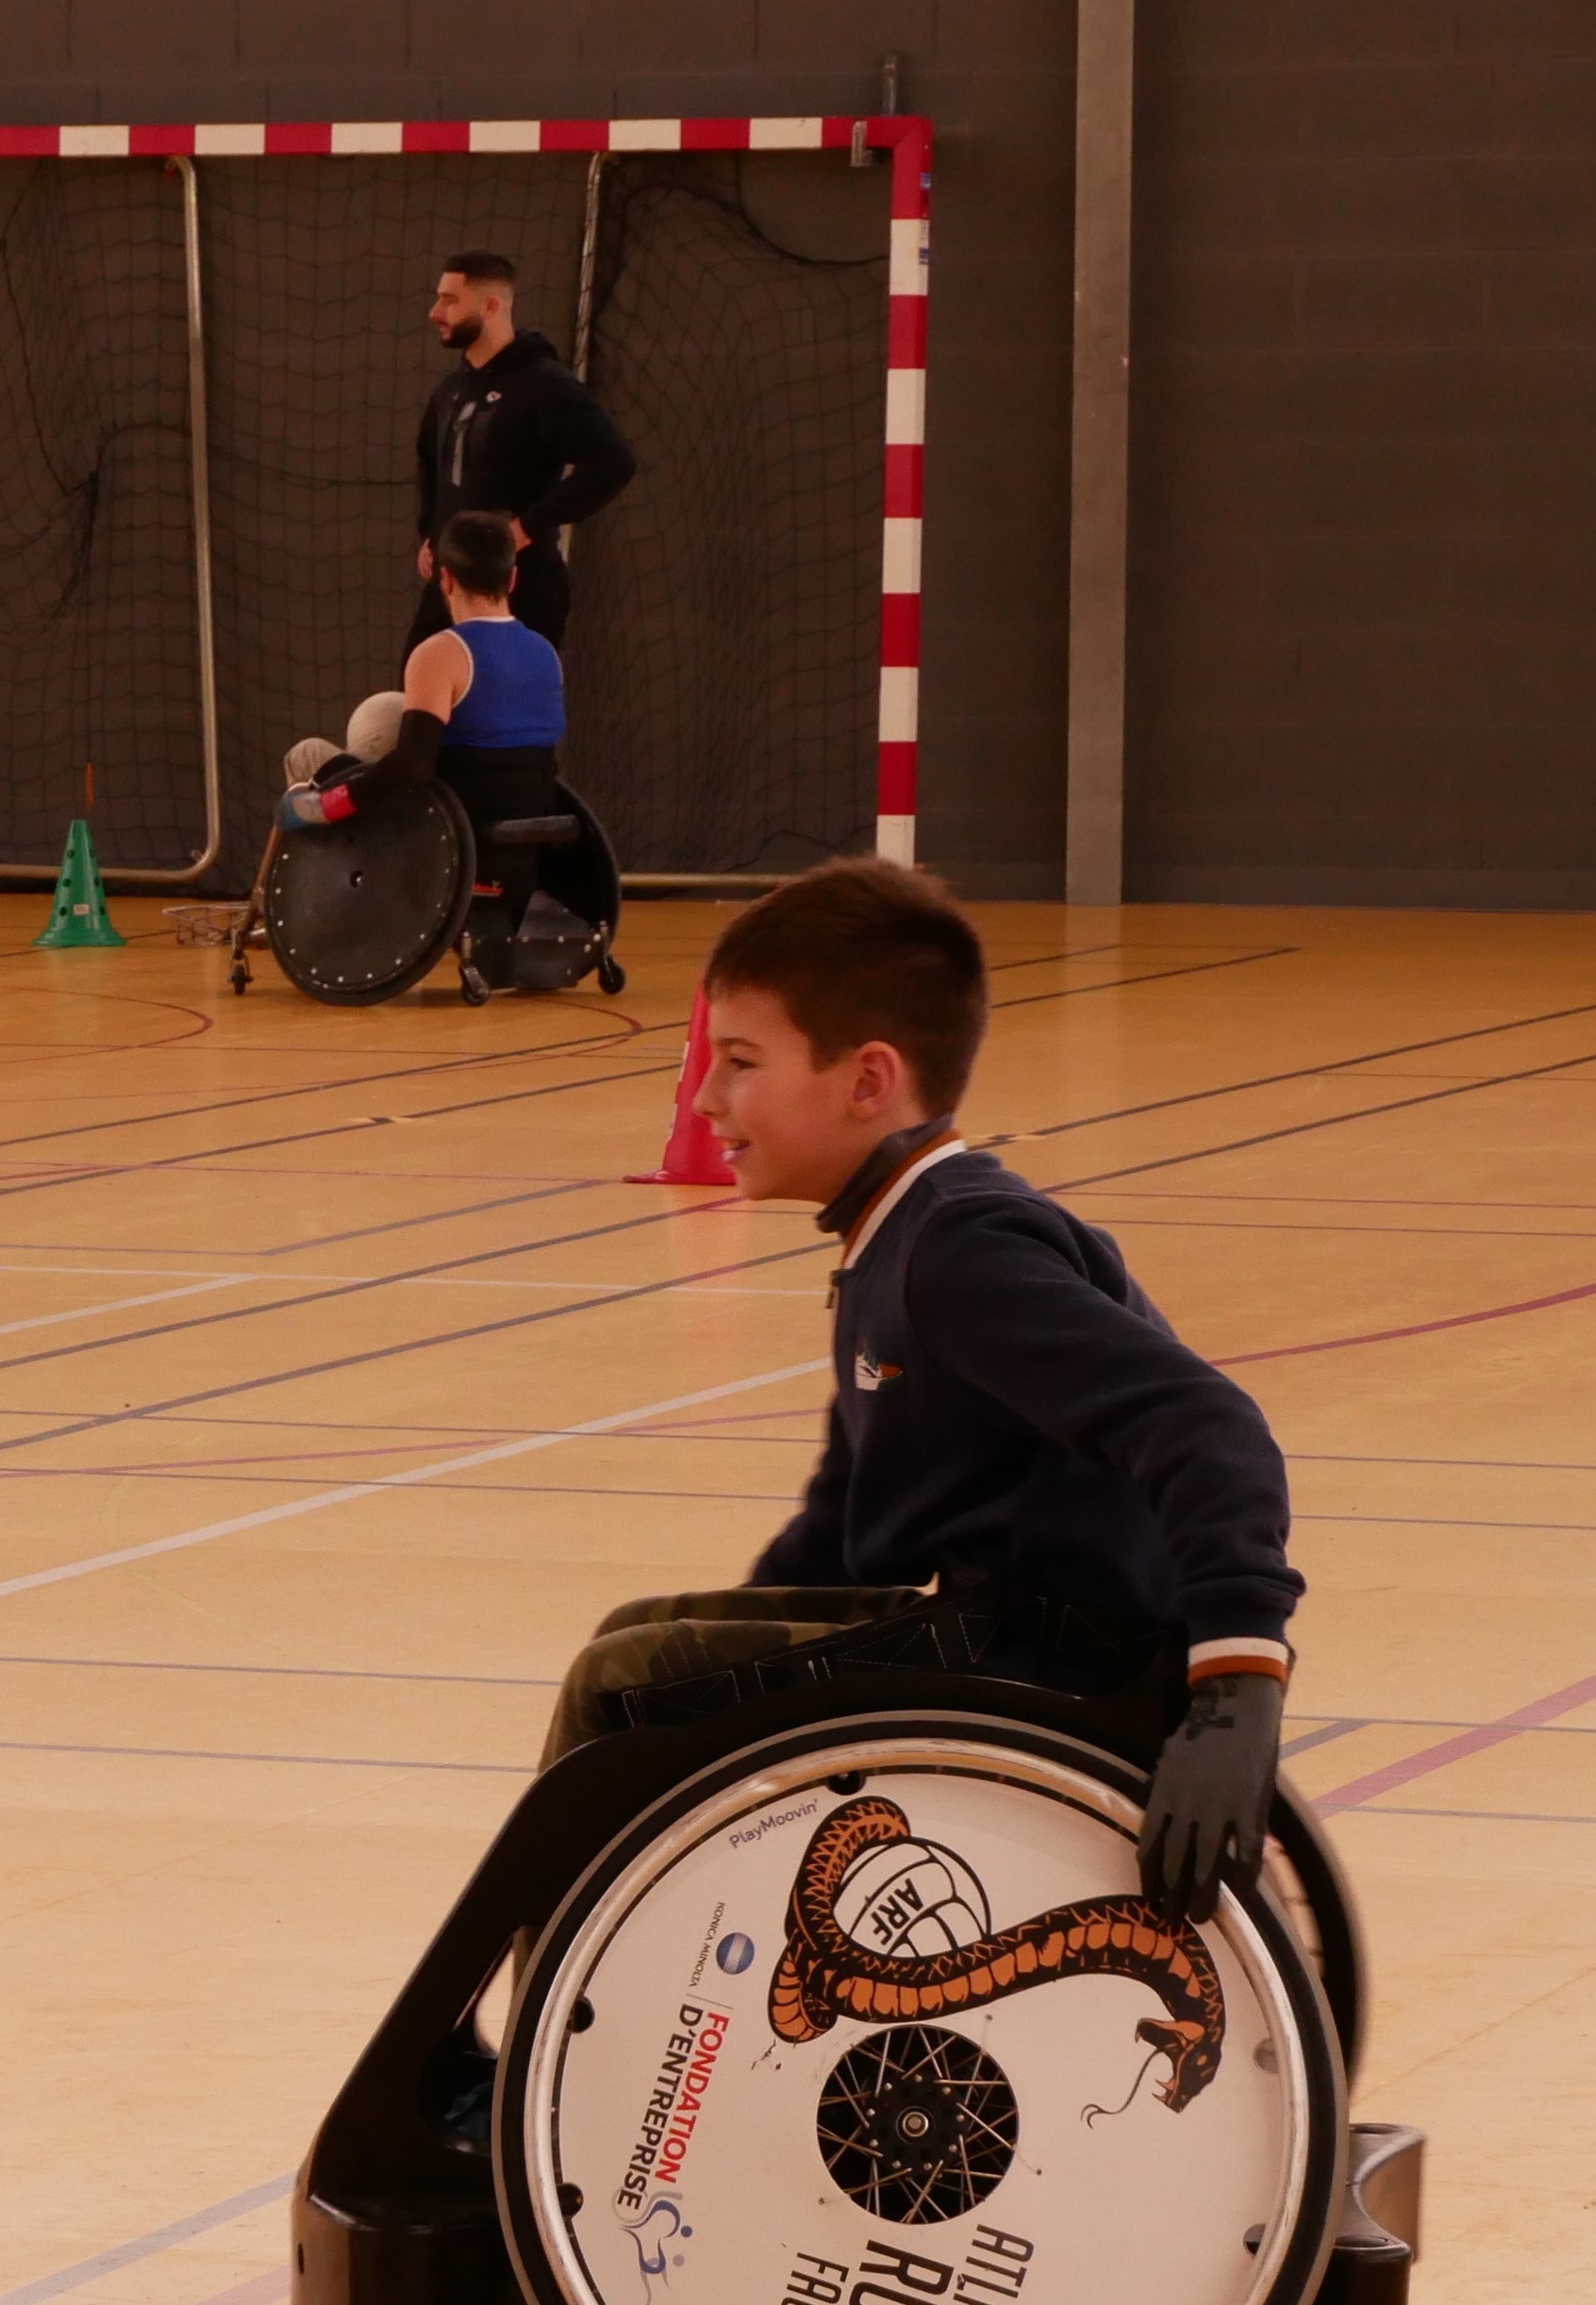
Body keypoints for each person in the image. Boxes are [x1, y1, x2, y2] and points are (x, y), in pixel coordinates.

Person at [539, 860, 1297, 1925]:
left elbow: (1209, 1428)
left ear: (865, 1080)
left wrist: (1234, 1693)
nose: (705, 1098)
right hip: (993, 1631)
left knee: (616, 1691)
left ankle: (538, 2046)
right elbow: (835, 1541)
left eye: (739, 1061)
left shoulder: (958, 1251)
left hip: (1048, 1656)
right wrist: (747, 1645)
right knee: (640, 1641)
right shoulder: (889, 1240)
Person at [274, 514, 561, 882]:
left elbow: (412, 767)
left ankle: (292, 900)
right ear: (513, 578)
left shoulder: (441, 653)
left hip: (443, 830)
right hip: (524, 838)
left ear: (447, 579)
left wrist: (327, 806)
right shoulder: (546, 654)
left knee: (306, 756)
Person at [408, 250, 634, 657]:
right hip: (448, 590)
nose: (435, 312)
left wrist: (526, 527)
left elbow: (613, 461)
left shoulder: (543, 385)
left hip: (519, 593)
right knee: (420, 706)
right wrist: (429, 531)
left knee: (505, 716)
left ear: (491, 306)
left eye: (450, 300)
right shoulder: (450, 389)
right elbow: (428, 458)